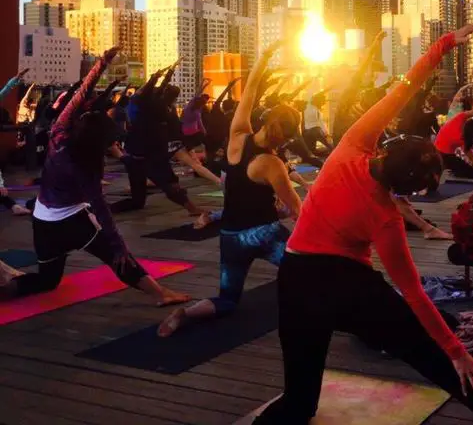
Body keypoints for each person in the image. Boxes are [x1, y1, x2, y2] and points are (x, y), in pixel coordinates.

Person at [251, 24, 473, 425]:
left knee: (299, 402)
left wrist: (443, 45)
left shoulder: (353, 145)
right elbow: (414, 294)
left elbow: (403, 88)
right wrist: (457, 353)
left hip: (296, 278)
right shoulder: (386, 218)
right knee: (431, 357)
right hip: (349, 288)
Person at [0, 47, 189, 306]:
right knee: (115, 256)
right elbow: (102, 214)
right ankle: (161, 294)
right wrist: (120, 247)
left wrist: (102, 64)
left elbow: (80, 95)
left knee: (47, 280)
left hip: (42, 220)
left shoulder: (59, 133)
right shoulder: (86, 167)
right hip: (70, 221)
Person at [158, 41, 303, 337]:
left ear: (267, 119)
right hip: (264, 234)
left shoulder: (237, 135)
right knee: (307, 273)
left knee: (227, 300)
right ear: (287, 137)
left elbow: (249, 93)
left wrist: (262, 59)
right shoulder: (272, 164)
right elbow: (296, 209)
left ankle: (185, 313)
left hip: (231, 238)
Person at [114, 64, 205, 216]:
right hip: (143, 156)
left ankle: (191, 208)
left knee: (159, 190)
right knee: (160, 189)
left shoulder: (157, 105)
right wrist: (158, 77)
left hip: (146, 155)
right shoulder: (148, 105)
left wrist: (166, 74)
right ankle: (104, 209)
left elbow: (156, 89)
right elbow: (151, 89)